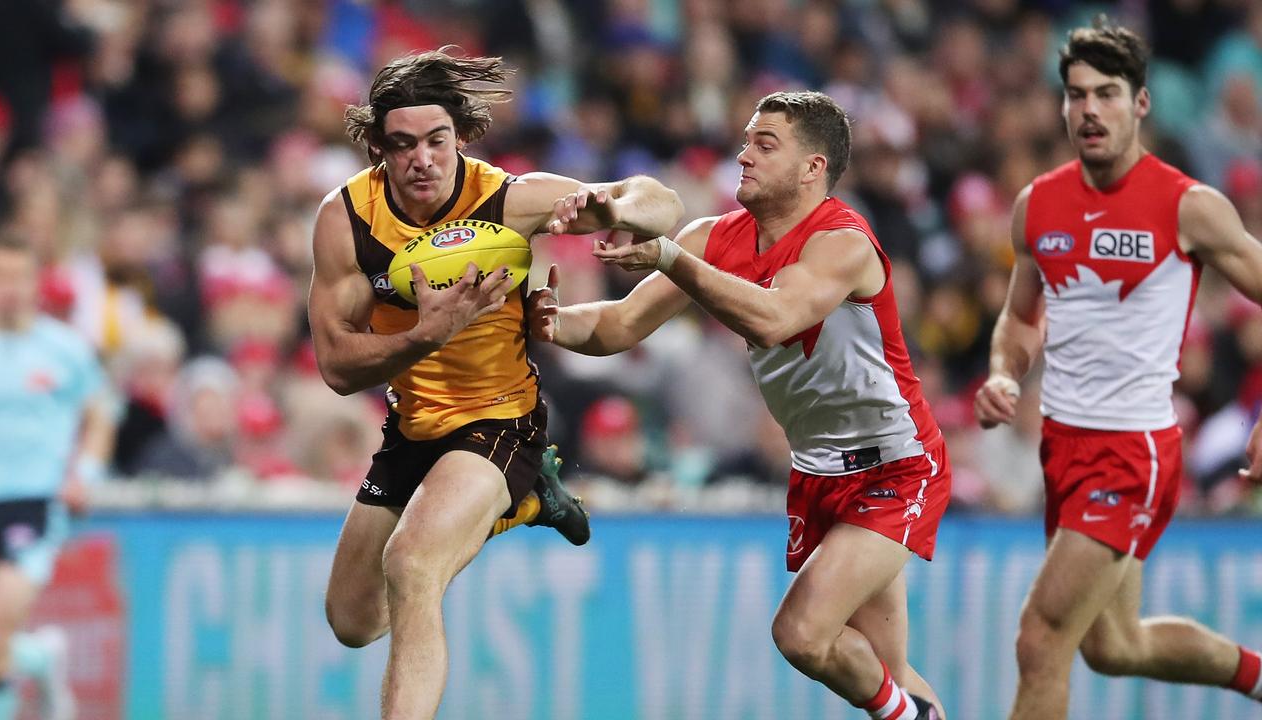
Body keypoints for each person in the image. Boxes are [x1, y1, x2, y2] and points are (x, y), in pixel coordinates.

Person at [531, 90, 947, 720]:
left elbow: (777, 318)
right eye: (747, 139)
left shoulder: (843, 242)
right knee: (885, 670)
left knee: (803, 633)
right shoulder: (714, 237)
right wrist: (550, 322)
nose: (743, 154)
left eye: (764, 144)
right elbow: (617, 326)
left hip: (896, 464)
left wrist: (671, 257)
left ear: (813, 168)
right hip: (818, 469)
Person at [308, 48, 684, 720]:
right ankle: (530, 500)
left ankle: (512, 484)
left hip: (500, 421)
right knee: (353, 619)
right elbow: (336, 368)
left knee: (413, 566)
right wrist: (425, 334)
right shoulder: (347, 220)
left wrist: (610, 203)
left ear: (462, 136)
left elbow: (662, 200)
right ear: (376, 150)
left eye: (436, 140)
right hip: (413, 425)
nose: (421, 159)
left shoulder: (509, 198)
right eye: (401, 145)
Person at [972, 20, 1262, 720]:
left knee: (1040, 639)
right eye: (1076, 96)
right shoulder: (1036, 205)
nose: (1089, 111)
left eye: (1106, 94)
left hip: (1132, 452)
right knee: (1114, 646)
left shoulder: (1188, 206)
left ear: (1140, 104)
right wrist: (1006, 372)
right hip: (1063, 447)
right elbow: (1018, 317)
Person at [0, 234, 116, 720]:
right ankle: (39, 658)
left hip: (33, 502)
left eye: (20, 278)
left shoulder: (63, 350)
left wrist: (86, 473)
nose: (10, 289)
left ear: (35, 284)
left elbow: (100, 414)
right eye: (1, 277)